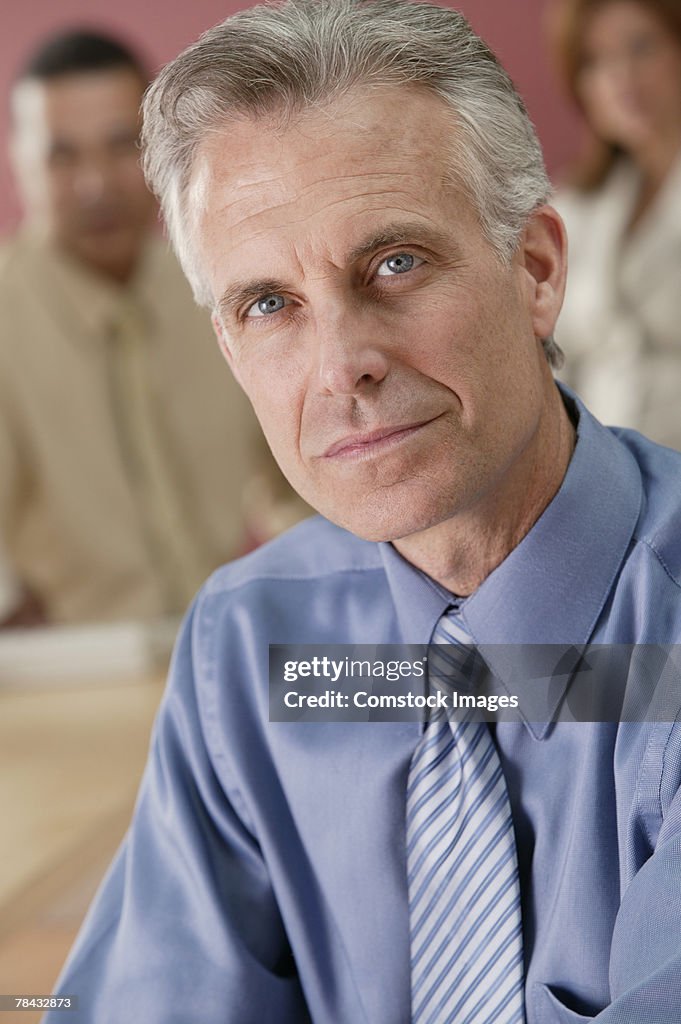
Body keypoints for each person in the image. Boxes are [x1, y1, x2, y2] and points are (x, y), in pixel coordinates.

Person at [46, 2, 681, 1021]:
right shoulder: (250, 649)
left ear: (538, 270)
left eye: (395, 262)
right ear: (229, 352)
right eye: (268, 304)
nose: (343, 365)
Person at [0, 29, 280, 626]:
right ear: (17, 161)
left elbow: (296, 491)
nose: (96, 184)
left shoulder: (220, 285)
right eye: (62, 154)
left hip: (218, 648)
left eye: (121, 144)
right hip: (68, 677)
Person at [550, 0, 681, 449]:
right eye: (596, 61)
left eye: (642, 47)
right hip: (604, 469)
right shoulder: (574, 208)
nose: (622, 78)